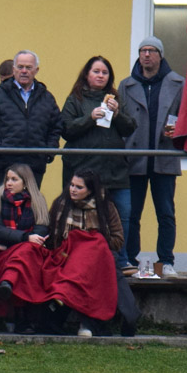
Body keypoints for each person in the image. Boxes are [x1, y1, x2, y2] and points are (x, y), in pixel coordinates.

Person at [0, 169, 121, 336]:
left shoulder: (105, 207)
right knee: (26, 255)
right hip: (61, 256)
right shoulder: (60, 204)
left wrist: (88, 242)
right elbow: (47, 239)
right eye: (71, 185)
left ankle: (83, 320)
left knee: (92, 246)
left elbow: (117, 240)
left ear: (90, 190)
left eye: (79, 187)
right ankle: (18, 308)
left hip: (95, 259)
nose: (73, 189)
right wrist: (15, 244)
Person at [59, 55, 136, 271]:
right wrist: (90, 117)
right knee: (86, 218)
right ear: (87, 74)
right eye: (96, 71)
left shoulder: (116, 99)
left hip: (115, 170)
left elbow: (130, 127)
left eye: (105, 72)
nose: (101, 76)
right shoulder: (75, 99)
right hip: (85, 171)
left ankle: (120, 260)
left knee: (123, 214)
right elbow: (65, 129)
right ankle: (81, 259)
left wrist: (117, 113)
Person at [117, 36, 183, 277]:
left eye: (151, 50)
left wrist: (178, 130)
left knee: (165, 213)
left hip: (164, 155)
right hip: (134, 158)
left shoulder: (178, 83)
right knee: (131, 214)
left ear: (160, 55)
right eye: (142, 50)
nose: (146, 54)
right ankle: (130, 259)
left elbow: (186, 116)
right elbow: (119, 121)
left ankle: (166, 261)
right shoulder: (126, 85)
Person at [0, 50, 60, 194]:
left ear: (36, 70)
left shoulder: (47, 98)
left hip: (34, 165)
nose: (24, 71)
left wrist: (48, 151)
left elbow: (56, 127)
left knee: (30, 205)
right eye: (20, 67)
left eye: (28, 67)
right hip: (3, 165)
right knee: (1, 205)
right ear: (14, 70)